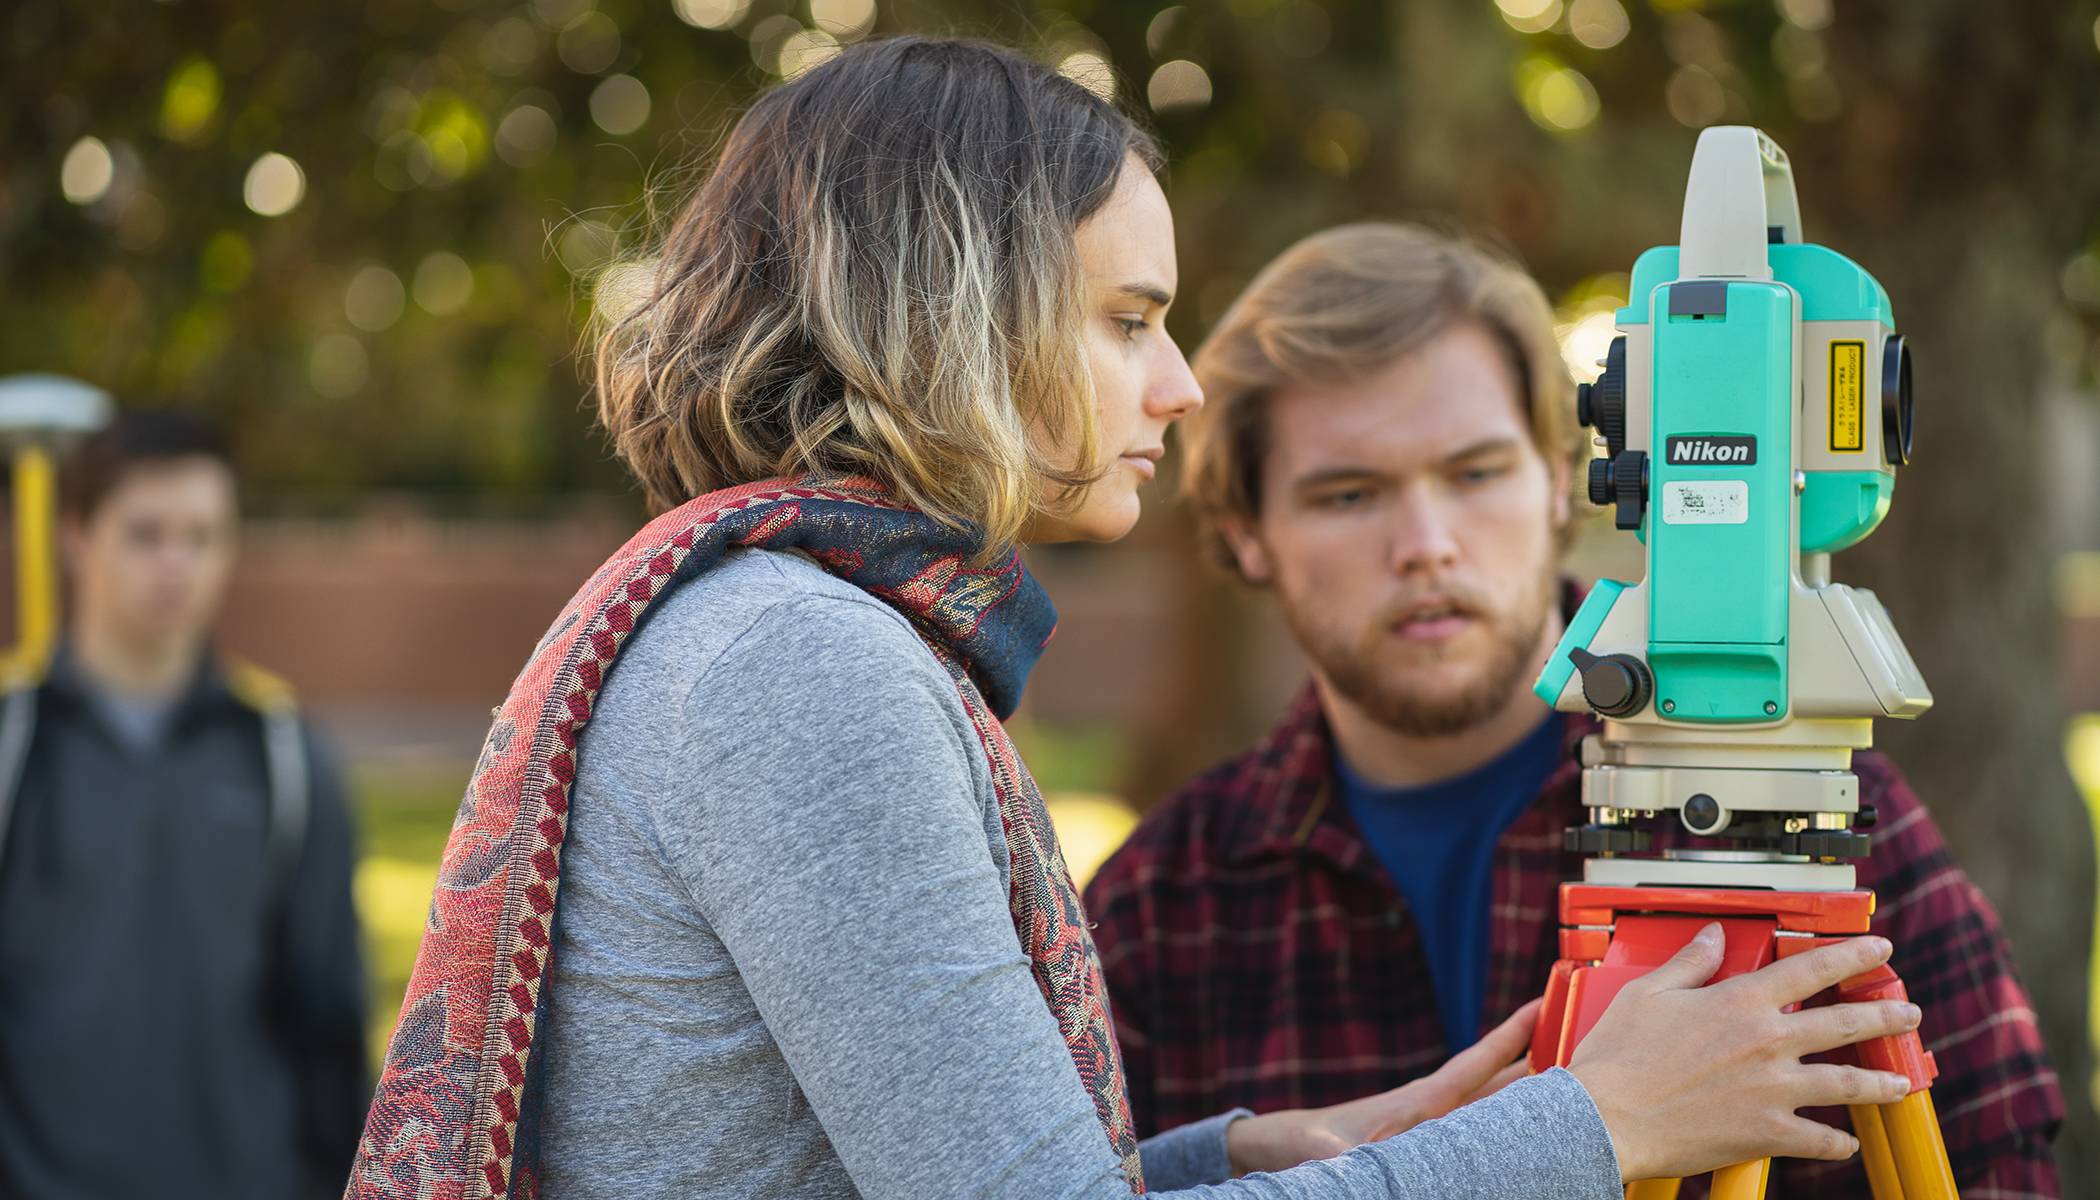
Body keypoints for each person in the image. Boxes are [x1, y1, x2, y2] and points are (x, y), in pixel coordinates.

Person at [347, 40, 1926, 1200]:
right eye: (1127, 322)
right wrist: (1599, 1130)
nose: (1173, 386)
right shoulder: (799, 663)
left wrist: (1248, 1155)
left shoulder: (786, 630)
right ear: (951, 309)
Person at [1082, 222, 2065, 1194]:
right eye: (1349, 494)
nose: (1427, 543)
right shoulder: (1161, 907)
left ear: (1563, 479)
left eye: (1475, 473)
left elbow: (2002, 1164)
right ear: (1245, 532)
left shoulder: (1818, 817)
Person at [0, 410, 367, 1198]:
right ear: (75, 534)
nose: (178, 564)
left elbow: (329, 1030)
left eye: (203, 536)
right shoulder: (11, 745)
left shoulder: (286, 757)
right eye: (146, 533)